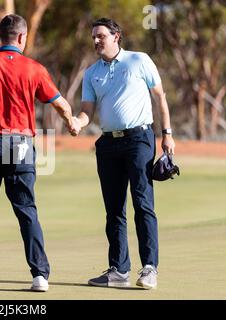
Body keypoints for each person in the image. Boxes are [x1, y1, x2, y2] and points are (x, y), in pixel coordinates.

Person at [0, 14, 78, 292]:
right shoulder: (34, 68)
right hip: (20, 145)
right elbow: (60, 104)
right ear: (22, 37)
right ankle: (40, 276)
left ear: (1, 36)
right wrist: (72, 122)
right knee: (26, 211)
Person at [72, 18, 176, 289]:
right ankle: (119, 270)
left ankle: (150, 268)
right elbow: (86, 111)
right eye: (93, 36)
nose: (96, 40)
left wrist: (167, 133)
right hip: (108, 145)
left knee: (142, 204)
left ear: (116, 36)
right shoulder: (91, 72)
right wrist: (78, 122)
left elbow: (160, 98)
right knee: (114, 210)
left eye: (101, 36)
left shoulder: (139, 60)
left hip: (139, 139)